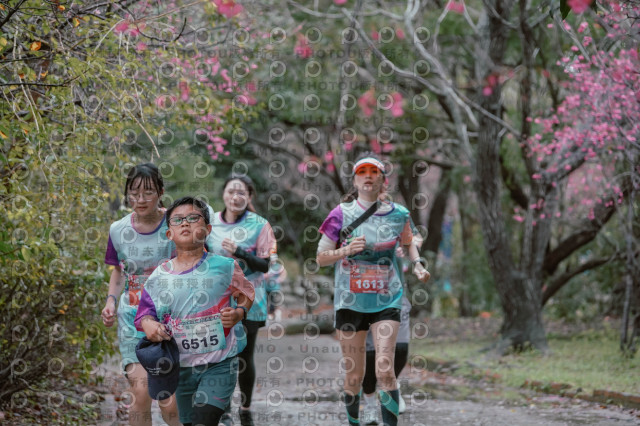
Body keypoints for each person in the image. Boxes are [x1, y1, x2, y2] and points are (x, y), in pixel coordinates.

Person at [316, 154, 430, 426]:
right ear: (355, 181)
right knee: (354, 376)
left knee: (385, 369)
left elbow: (409, 242)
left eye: (374, 171)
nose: (368, 175)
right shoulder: (340, 214)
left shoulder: (399, 214)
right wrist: (345, 250)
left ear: (383, 180)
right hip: (350, 301)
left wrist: (417, 264)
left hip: (387, 299)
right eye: (362, 172)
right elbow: (321, 258)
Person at [134, 196, 255, 426]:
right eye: (177, 220)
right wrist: (150, 325)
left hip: (220, 364)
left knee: (203, 420)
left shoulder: (226, 267)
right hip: (180, 367)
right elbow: (144, 314)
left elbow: (247, 293)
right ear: (169, 234)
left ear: (207, 229)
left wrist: (239, 312)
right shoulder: (159, 276)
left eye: (193, 218)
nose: (185, 223)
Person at [101, 163, 180, 426]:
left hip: (171, 320)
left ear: (161, 192)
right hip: (131, 318)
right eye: (134, 193)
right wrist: (111, 301)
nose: (140, 199)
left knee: (170, 401)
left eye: (148, 192)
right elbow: (118, 271)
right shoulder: (118, 230)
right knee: (142, 391)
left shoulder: (176, 224)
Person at [207, 174, 277, 426]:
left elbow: (265, 265)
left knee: (243, 357)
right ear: (223, 194)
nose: (235, 197)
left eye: (241, 193)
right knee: (219, 355)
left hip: (250, 300)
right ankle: (224, 410)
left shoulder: (260, 225)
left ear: (249, 197)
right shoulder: (211, 223)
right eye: (231, 191)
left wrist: (240, 252)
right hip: (218, 300)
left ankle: (245, 408)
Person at [362, 235, 424, 424]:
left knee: (401, 349)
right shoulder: (352, 219)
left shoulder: (398, 218)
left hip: (396, 295)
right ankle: (370, 406)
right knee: (371, 357)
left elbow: (416, 237)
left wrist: (407, 247)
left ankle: (391, 386)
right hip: (365, 297)